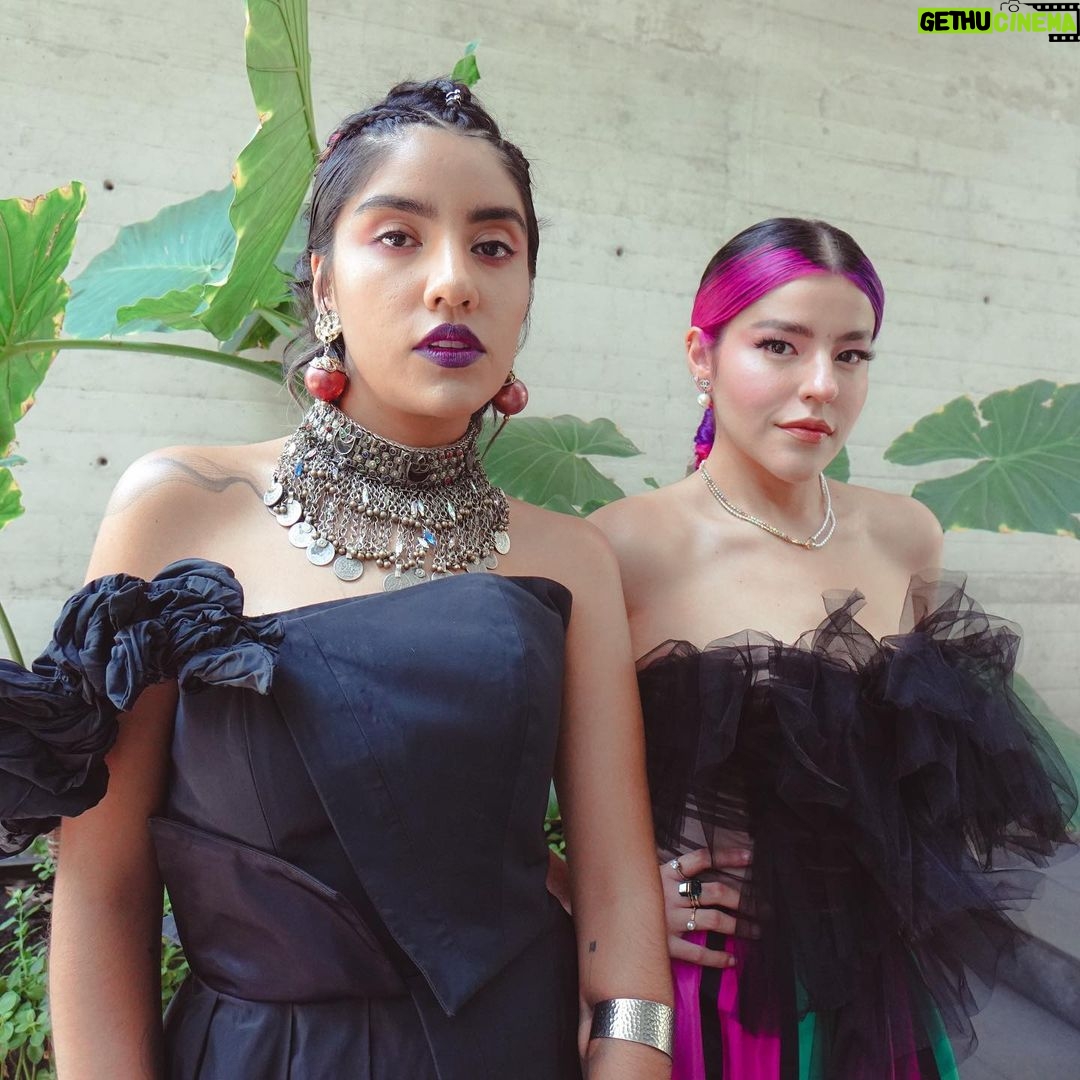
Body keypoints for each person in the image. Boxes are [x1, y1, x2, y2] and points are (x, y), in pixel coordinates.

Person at [0, 80, 673, 1079]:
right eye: (398, 236)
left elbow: (616, 891)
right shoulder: (180, 508)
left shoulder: (570, 560)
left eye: (494, 247)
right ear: (322, 283)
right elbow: (104, 887)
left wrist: (632, 1053)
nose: (453, 283)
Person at [591, 217, 1076, 1079]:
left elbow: (914, 793)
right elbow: (504, 786)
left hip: (881, 990)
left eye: (851, 355)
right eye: (780, 346)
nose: (822, 386)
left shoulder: (905, 535)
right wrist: (607, 907)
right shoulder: (621, 548)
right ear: (701, 355)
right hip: (718, 995)